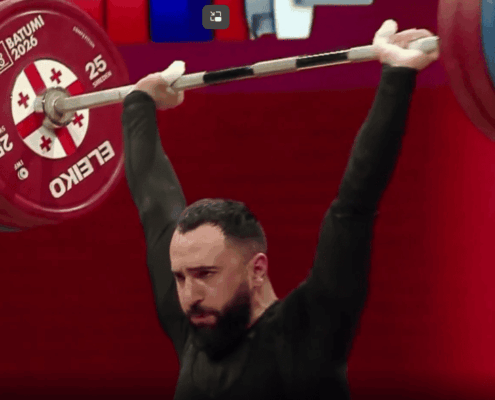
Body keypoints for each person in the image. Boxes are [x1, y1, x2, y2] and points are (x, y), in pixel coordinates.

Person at [121, 20, 439, 400]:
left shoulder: (307, 335)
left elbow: (354, 206)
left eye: (205, 274)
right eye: (180, 277)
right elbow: (155, 204)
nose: (190, 294)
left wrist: (398, 74)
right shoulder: (195, 324)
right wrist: (140, 102)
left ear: (257, 269)